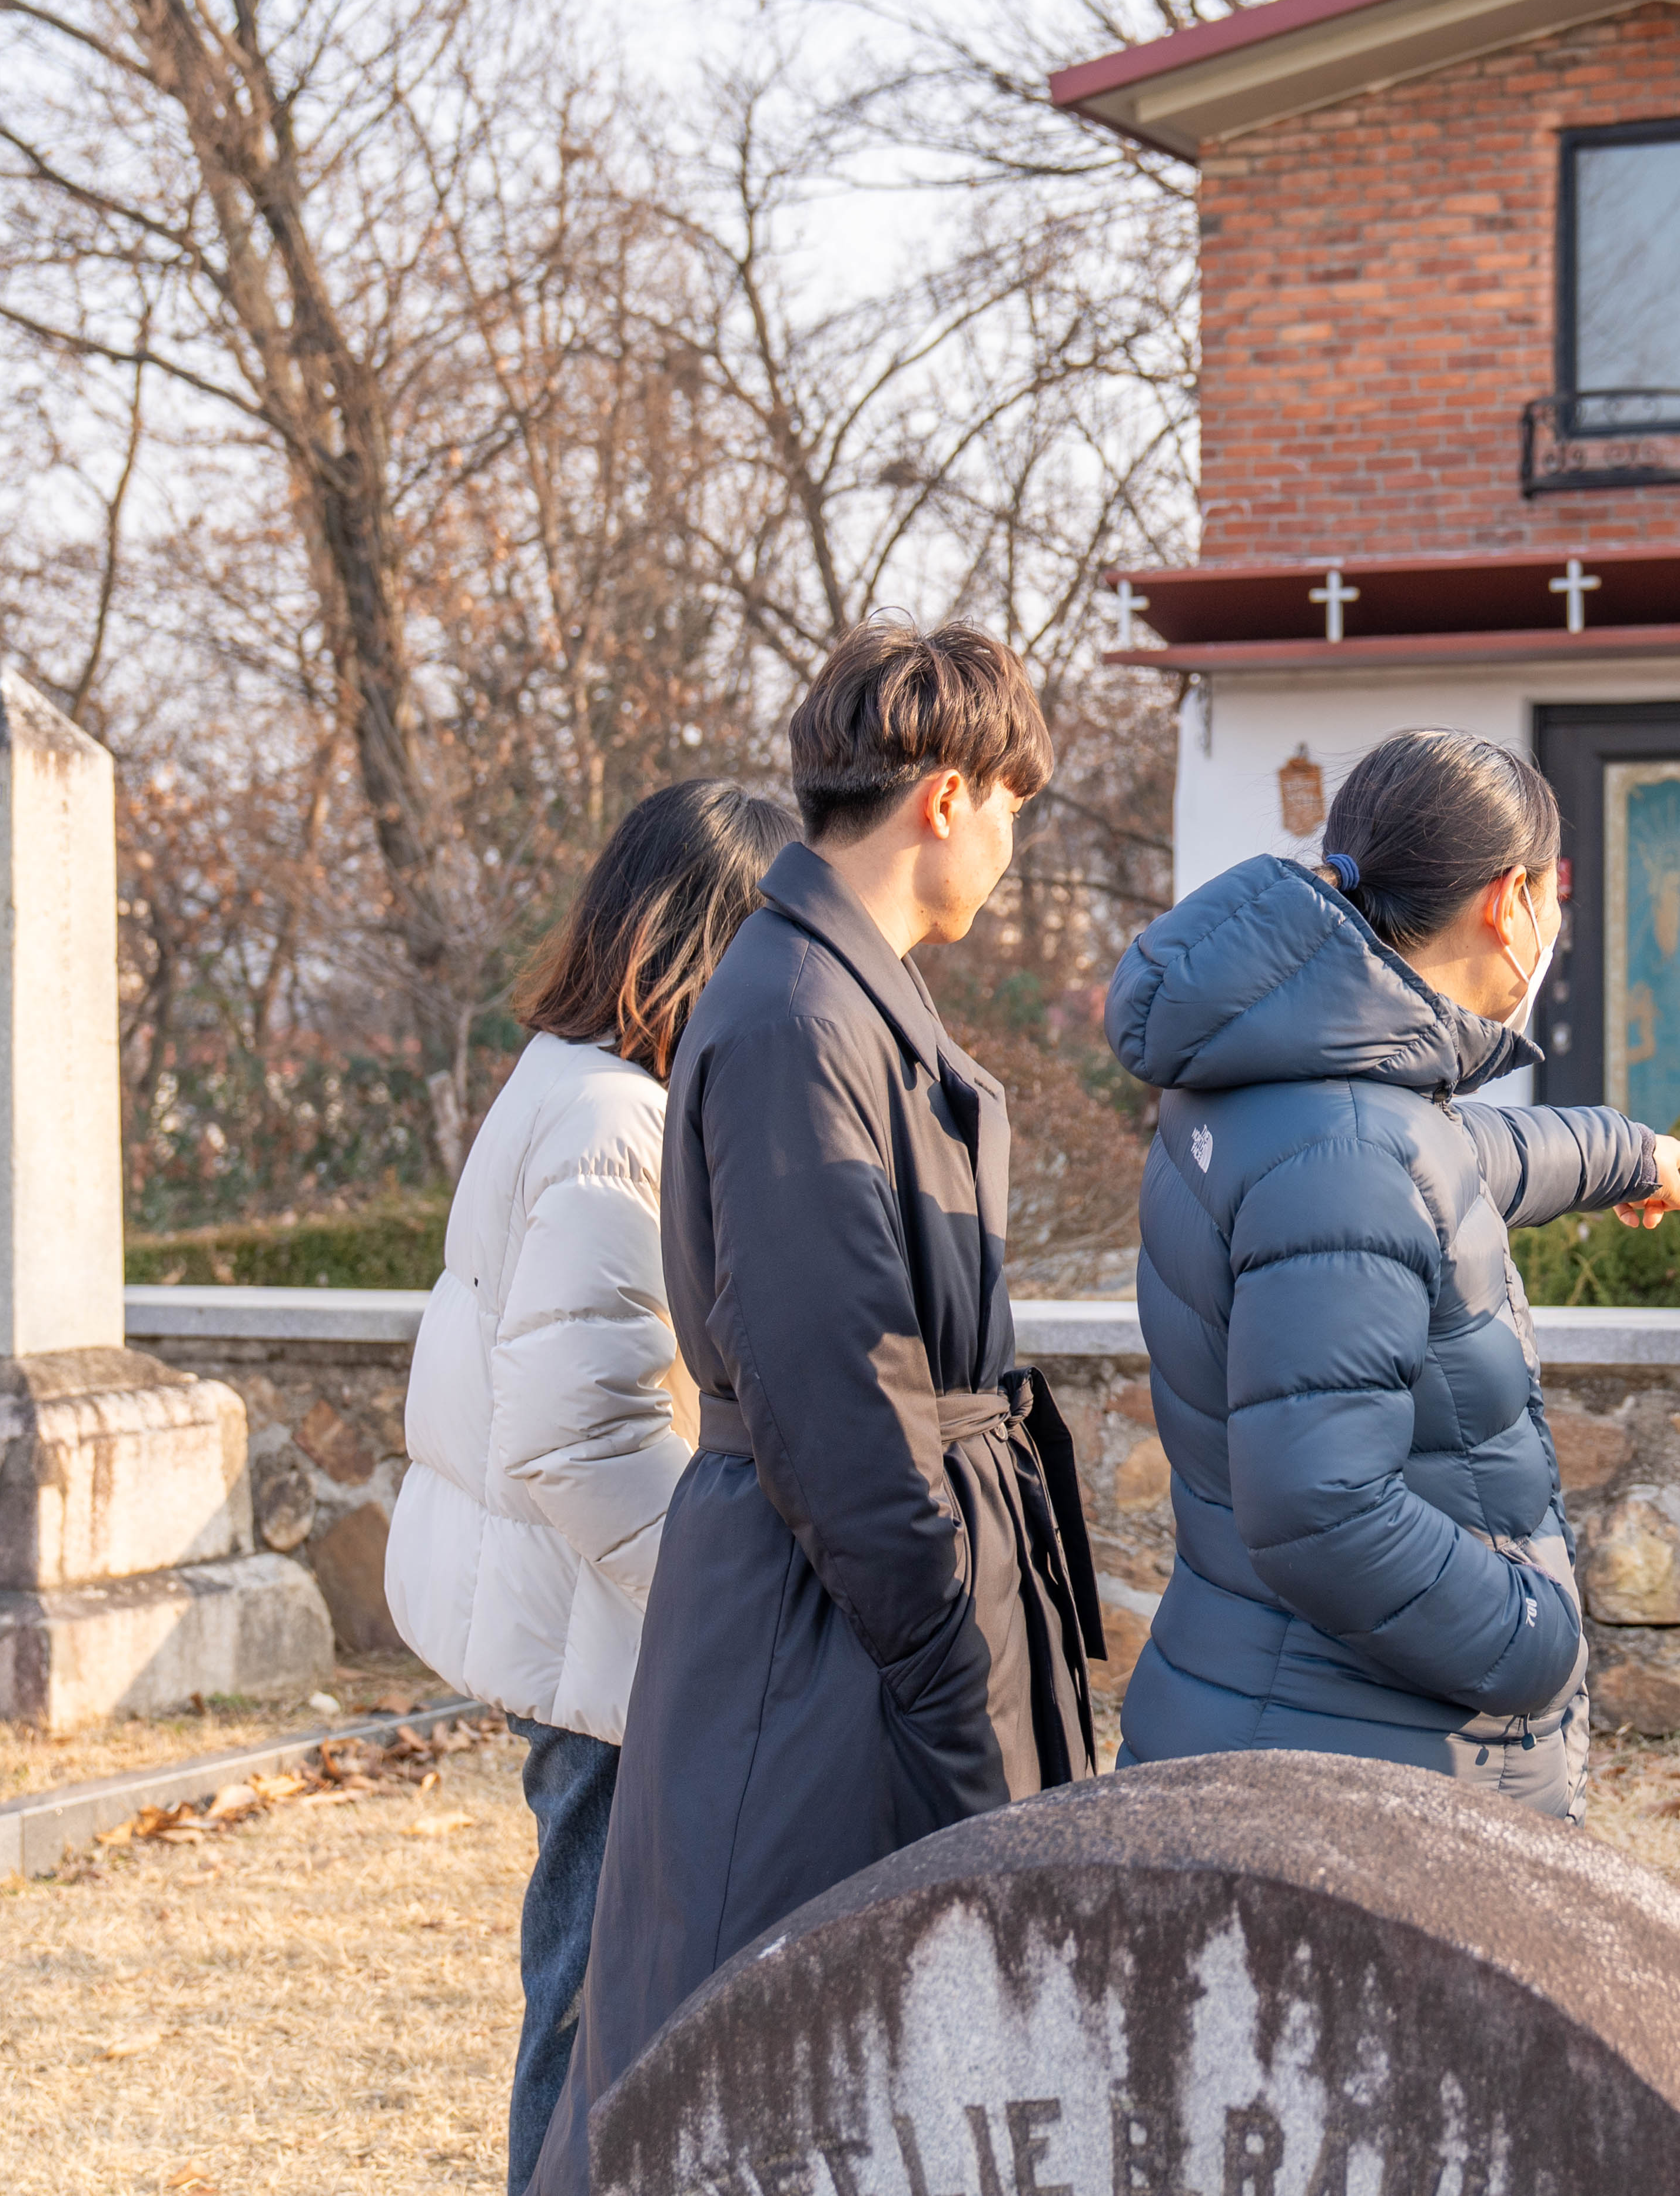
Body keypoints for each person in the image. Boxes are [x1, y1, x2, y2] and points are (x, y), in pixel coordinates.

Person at [526, 620, 1104, 2196]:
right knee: (755, 2063)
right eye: (1011, 799)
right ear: (943, 795)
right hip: (820, 1636)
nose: (1014, 835)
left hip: (849, 1619)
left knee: (857, 2068)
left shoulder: (838, 994)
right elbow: (834, 1388)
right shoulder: (794, 1013)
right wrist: (941, 1666)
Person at [1102, 728, 1680, 1819]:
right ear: (1506, 903)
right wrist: (1535, 1639)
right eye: (1554, 889)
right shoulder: (1348, 1145)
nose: (1557, 921)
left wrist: (1626, 1151)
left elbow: (1453, 1161)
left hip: (1269, 1707)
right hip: (1364, 1776)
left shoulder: (1279, 1077)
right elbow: (1325, 1509)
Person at [385, 779, 796, 2196]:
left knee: (588, 1979)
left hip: (586, 1629)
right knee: (587, 2001)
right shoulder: (617, 1116)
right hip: (609, 1641)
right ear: (707, 940)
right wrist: (715, 1602)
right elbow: (578, 1435)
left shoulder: (564, 1077)